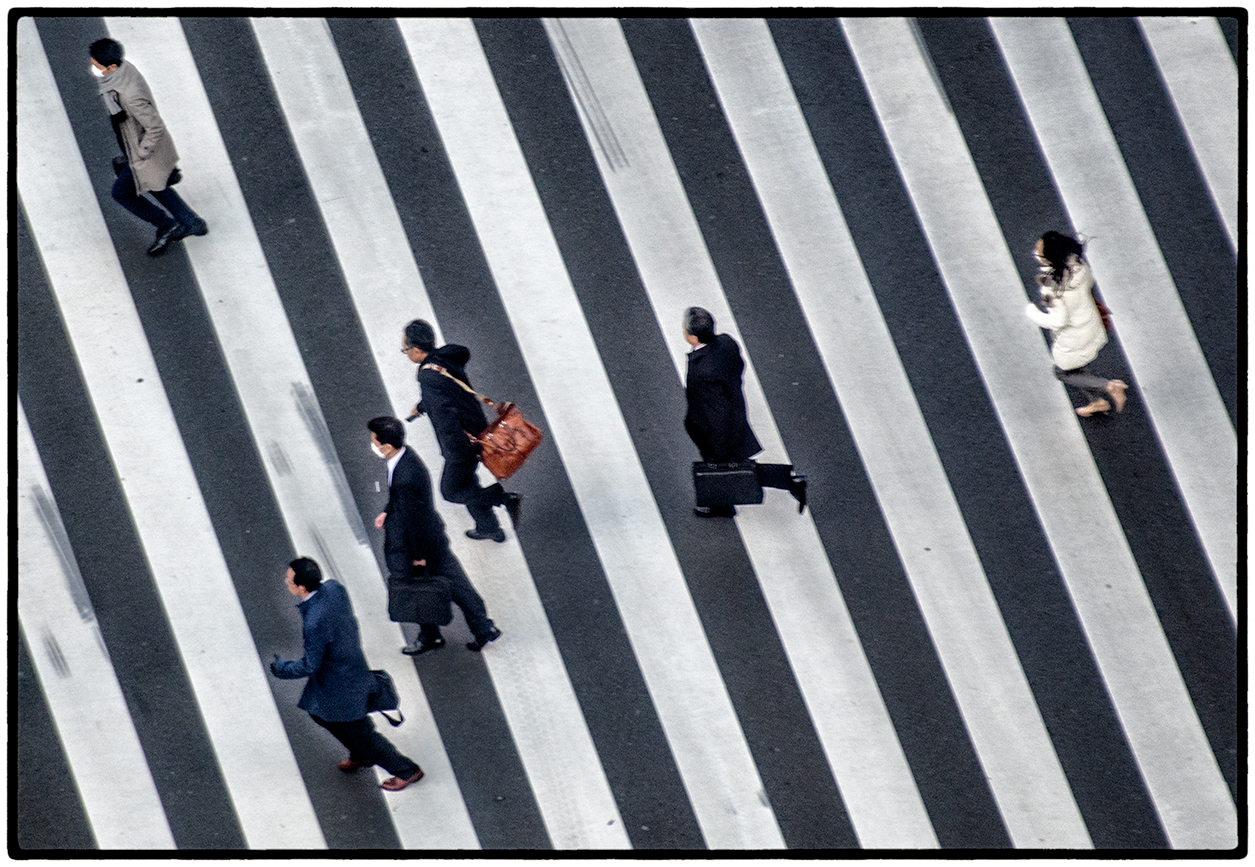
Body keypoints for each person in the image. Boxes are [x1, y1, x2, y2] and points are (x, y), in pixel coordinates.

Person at [269, 557, 424, 791]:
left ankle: (406, 770)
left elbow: (311, 664)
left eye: (289, 579)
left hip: (339, 686)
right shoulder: (333, 589)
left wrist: (282, 669)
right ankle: (359, 753)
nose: (285, 581)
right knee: (321, 715)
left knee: (362, 734)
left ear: (302, 587)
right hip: (348, 671)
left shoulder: (315, 621)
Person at [369, 416, 502, 654]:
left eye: (374, 440)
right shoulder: (404, 459)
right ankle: (483, 628)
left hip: (415, 544)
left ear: (386, 446)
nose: (372, 444)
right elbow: (406, 503)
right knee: (457, 584)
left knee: (414, 587)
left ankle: (431, 635)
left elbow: (415, 519)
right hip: (431, 537)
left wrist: (419, 556)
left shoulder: (405, 477)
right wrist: (387, 511)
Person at [402, 320, 521, 543]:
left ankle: (504, 498)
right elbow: (449, 392)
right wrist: (423, 405)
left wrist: (455, 452)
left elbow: (446, 416)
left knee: (451, 491)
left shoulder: (428, 376)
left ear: (417, 350)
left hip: (463, 441)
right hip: (477, 428)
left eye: (405, 349)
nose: (406, 353)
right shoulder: (444, 360)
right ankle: (489, 528)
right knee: (466, 484)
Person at [682, 307, 807, 518]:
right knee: (728, 467)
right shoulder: (726, 343)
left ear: (693, 337)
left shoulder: (703, 371)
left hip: (714, 430)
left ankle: (723, 504)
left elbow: (715, 411)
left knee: (724, 468)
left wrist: (719, 447)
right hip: (733, 414)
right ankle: (724, 504)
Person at [89, 37, 207, 256]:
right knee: (155, 184)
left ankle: (167, 224)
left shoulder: (130, 96)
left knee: (121, 193)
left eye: (97, 64)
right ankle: (191, 222)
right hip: (133, 146)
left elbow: (154, 126)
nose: (93, 66)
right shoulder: (122, 72)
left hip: (142, 152)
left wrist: (141, 154)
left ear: (111, 66)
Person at [1025, 231, 1129, 417]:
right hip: (1090, 324)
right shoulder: (1078, 266)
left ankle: (1109, 387)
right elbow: (1089, 282)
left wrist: (1033, 314)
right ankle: (1097, 402)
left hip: (1074, 336)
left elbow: (1059, 320)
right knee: (1077, 368)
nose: (1035, 252)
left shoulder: (1051, 288)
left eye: (1038, 251)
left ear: (1050, 259)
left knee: (1062, 372)